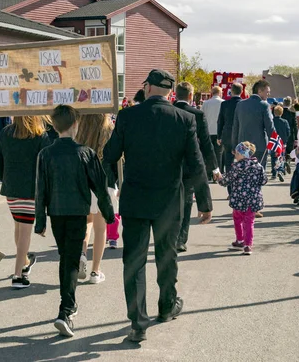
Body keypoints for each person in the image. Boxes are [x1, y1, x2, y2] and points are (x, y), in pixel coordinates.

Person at [103, 69, 206, 343]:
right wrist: (205, 203)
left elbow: (110, 154)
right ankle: (167, 306)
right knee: (167, 255)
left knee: (134, 261)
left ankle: (138, 322)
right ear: (170, 92)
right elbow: (196, 162)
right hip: (169, 200)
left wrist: (109, 183)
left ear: (147, 88)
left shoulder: (127, 116)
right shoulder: (185, 118)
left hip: (136, 198)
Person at [34, 105, 115, 337]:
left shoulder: (45, 154)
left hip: (56, 213)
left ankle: (68, 307)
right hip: (78, 212)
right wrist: (109, 215)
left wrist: (40, 222)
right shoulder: (85, 153)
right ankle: (66, 310)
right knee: (68, 260)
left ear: (54, 125)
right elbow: (100, 186)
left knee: (66, 258)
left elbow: (41, 190)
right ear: (75, 125)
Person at [0, 116, 53, 289]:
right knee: (24, 231)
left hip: (11, 188)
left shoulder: (6, 132)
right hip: (31, 189)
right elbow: (46, 163)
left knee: (19, 226)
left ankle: (25, 261)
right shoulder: (40, 135)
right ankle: (18, 274)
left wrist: (4, 178)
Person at [173, 82, 220, 252]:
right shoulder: (197, 115)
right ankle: (180, 239)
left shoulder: (166, 111)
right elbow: (206, 144)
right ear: (191, 96)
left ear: (176, 94)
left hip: (167, 164)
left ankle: (168, 235)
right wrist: (214, 167)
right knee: (186, 203)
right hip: (189, 164)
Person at [75, 114, 119, 284]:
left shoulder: (80, 131)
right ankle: (95, 271)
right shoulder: (109, 131)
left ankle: (82, 252)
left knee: (86, 222)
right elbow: (118, 160)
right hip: (104, 183)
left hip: (84, 184)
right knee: (101, 229)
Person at [217, 141, 267, 255]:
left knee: (237, 218)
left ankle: (240, 239)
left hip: (239, 199)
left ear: (242, 154)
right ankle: (248, 245)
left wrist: (219, 178)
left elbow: (226, 181)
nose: (235, 155)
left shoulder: (237, 166)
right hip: (253, 199)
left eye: (237, 153)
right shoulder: (258, 166)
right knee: (249, 221)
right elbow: (264, 180)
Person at [232, 79, 275, 169]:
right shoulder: (264, 105)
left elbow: (235, 127)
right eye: (267, 92)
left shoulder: (240, 105)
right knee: (258, 176)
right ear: (259, 91)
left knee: (244, 176)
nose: (268, 94)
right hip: (259, 146)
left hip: (242, 147)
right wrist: (277, 144)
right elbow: (269, 127)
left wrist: (234, 146)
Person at [217, 83, 244, 176]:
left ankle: (230, 181)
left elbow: (220, 121)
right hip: (241, 135)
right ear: (242, 91)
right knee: (243, 159)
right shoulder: (244, 104)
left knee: (228, 159)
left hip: (227, 135)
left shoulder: (224, 104)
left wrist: (219, 136)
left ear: (231, 91)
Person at [202, 86, 224, 174]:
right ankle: (217, 173)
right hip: (219, 132)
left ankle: (209, 173)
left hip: (208, 131)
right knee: (218, 153)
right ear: (219, 93)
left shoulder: (206, 103)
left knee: (208, 153)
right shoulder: (223, 103)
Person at [271, 105, 290, 182]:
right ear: (282, 113)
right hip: (282, 142)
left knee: (273, 157)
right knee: (281, 157)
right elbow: (288, 132)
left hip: (273, 141)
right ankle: (280, 170)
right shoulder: (285, 122)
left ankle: (274, 173)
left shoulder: (272, 121)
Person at [281, 97, 298, 173]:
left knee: (281, 151)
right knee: (289, 151)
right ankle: (287, 161)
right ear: (290, 104)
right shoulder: (292, 114)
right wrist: (297, 136)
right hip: (290, 135)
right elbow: (295, 126)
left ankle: (282, 165)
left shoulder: (280, 112)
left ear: (283, 103)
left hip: (281, 134)